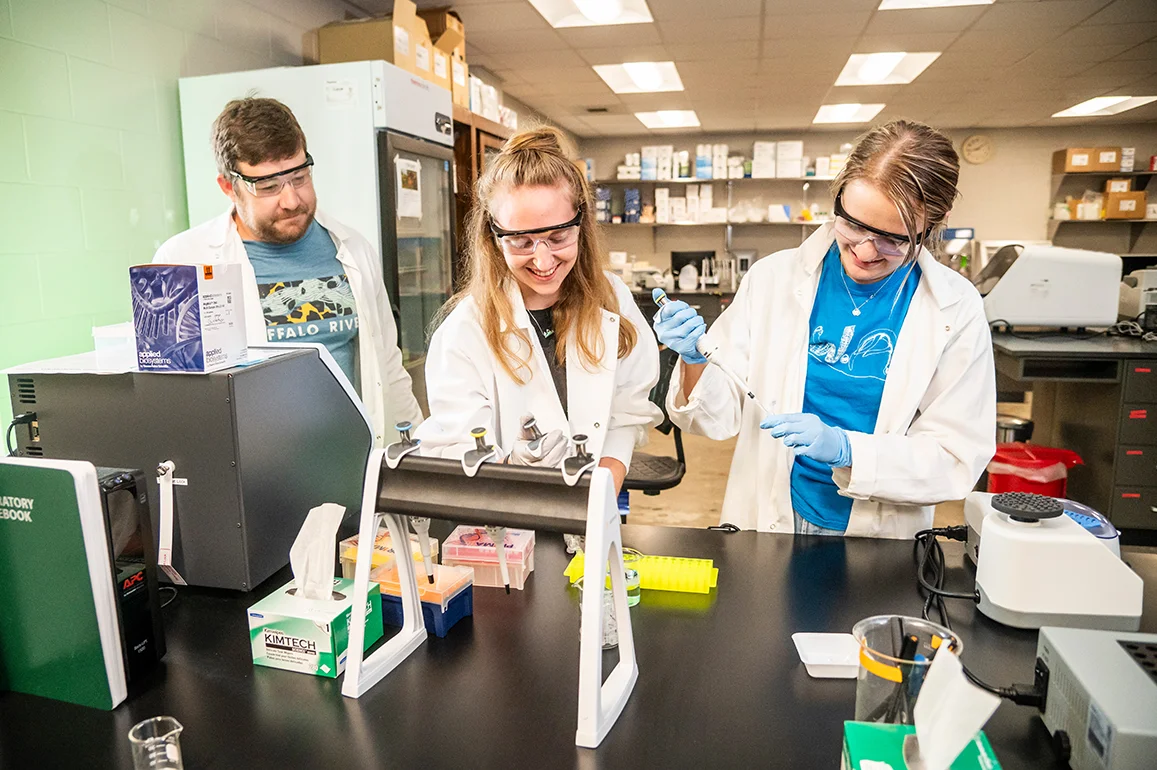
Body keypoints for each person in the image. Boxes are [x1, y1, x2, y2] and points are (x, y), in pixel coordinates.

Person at [654, 120, 995, 538]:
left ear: (931, 226)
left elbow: (956, 456)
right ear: (837, 199)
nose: (866, 251)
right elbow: (715, 419)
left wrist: (849, 451)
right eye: (853, 225)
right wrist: (694, 359)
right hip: (767, 515)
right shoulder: (773, 278)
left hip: (878, 531)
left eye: (893, 238)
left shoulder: (955, 308)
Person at [153, 97, 422, 446]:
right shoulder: (181, 261)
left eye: (300, 177)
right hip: (250, 467)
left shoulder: (353, 249)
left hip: (353, 459)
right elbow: (167, 393)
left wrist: (416, 454)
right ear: (227, 187)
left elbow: (388, 365)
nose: (292, 200)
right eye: (268, 187)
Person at [415, 127, 661, 492]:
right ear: (493, 237)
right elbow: (459, 449)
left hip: (595, 509)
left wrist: (596, 499)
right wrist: (513, 467)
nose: (543, 260)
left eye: (558, 237)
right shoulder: (464, 331)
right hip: (506, 526)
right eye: (521, 241)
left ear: (582, 223)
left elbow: (626, 414)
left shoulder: (612, 298)